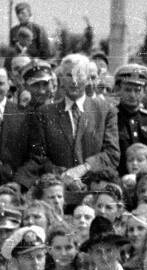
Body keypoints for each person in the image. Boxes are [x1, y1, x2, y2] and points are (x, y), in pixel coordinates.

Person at [26, 54, 120, 187]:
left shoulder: (105, 111)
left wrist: (83, 168)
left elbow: (112, 154)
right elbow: (39, 157)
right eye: (69, 75)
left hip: (95, 189)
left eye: (79, 75)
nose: (74, 81)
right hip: (58, 189)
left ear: (88, 78)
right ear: (61, 79)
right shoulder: (45, 113)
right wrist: (64, 176)